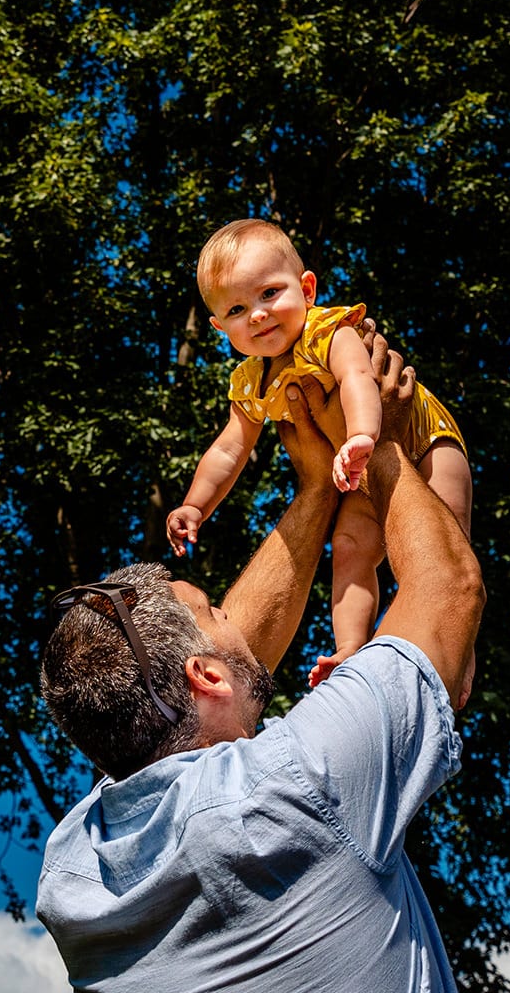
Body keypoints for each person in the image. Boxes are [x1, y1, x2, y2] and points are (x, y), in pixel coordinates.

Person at [36, 332, 500, 993]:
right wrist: (384, 440)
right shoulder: (298, 786)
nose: (235, 615)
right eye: (217, 606)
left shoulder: (73, 872)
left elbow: (221, 666)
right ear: (204, 675)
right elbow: (449, 588)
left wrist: (321, 486)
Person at [165, 219, 474, 687]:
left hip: (421, 440)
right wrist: (195, 504)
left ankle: (460, 648)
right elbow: (229, 448)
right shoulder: (250, 382)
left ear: (306, 288)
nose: (258, 314)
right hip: (352, 469)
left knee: (445, 533)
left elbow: (357, 378)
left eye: (270, 293)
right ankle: (351, 648)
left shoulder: (325, 331)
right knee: (348, 549)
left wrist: (366, 434)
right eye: (236, 308)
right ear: (218, 326)